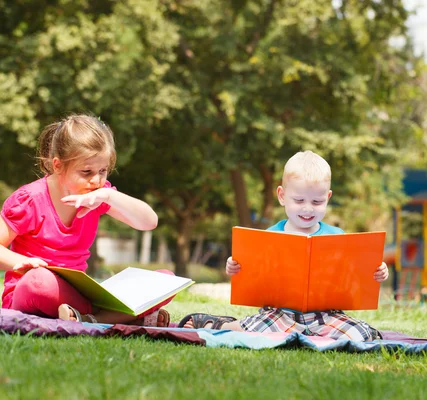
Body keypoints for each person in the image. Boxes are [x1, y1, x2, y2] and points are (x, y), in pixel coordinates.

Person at [178, 151, 389, 341]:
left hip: (327, 315)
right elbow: (253, 274)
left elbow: (354, 277)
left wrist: (377, 272)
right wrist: (234, 266)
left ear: (328, 197)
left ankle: (307, 333)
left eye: (317, 202)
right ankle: (219, 324)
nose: (307, 208)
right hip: (280, 314)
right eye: (299, 200)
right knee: (253, 331)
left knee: (361, 335)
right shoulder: (270, 236)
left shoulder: (339, 237)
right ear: (281, 196)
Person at [0, 114, 170, 326]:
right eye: (87, 172)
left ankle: (88, 319)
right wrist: (20, 263)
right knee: (38, 282)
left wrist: (108, 196)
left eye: (103, 171)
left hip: (79, 297)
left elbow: (149, 221)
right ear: (58, 166)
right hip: (35, 292)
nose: (97, 180)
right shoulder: (30, 200)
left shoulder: (98, 195)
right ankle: (124, 317)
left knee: (166, 279)